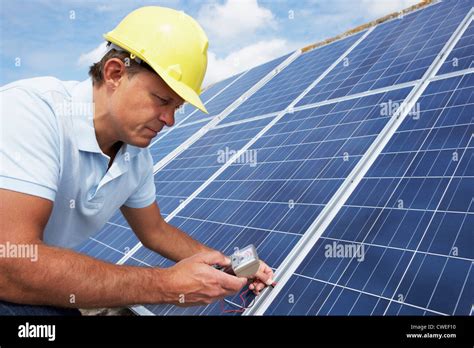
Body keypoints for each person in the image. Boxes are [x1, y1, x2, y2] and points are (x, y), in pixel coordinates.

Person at [0, 6, 273, 315]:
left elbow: (154, 230)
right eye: (162, 100)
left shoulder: (135, 158)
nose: (169, 119)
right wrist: (166, 285)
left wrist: (230, 265)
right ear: (115, 73)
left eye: (177, 107)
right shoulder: (30, 113)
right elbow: (11, 266)